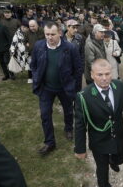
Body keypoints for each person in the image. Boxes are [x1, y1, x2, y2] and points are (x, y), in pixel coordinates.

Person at [74, 59, 123, 187]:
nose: (104, 78)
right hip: (99, 139)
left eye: (107, 74)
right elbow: (80, 125)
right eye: (99, 75)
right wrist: (80, 149)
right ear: (92, 75)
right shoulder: (84, 96)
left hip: (118, 134)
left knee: (120, 157)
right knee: (102, 168)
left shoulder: (119, 86)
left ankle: (113, 160)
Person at [31, 21, 82, 156]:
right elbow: (34, 65)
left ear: (60, 32)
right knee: (45, 115)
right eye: (47, 34)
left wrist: (75, 87)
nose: (49, 37)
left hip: (64, 87)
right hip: (46, 88)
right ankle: (50, 142)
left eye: (52, 34)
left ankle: (68, 128)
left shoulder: (70, 48)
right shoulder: (39, 46)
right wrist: (37, 78)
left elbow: (78, 69)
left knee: (68, 110)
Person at [63, 19, 85, 89]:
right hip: (65, 70)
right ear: (67, 27)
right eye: (73, 27)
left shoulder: (80, 38)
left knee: (77, 89)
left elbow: (82, 54)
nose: (76, 30)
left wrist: (81, 68)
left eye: (76, 28)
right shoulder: (61, 39)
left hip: (77, 70)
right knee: (66, 90)